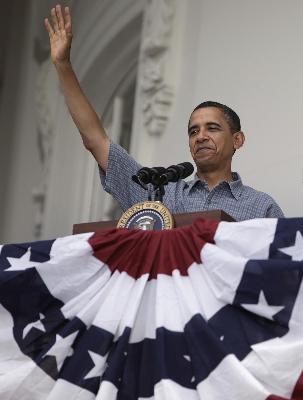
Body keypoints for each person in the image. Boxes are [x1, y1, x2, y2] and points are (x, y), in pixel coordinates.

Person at [45, 5, 284, 221]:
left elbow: (282, 267)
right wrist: (63, 65)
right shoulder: (158, 197)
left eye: (212, 128)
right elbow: (95, 140)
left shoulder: (262, 208)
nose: (200, 136)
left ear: (237, 140)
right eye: (193, 131)